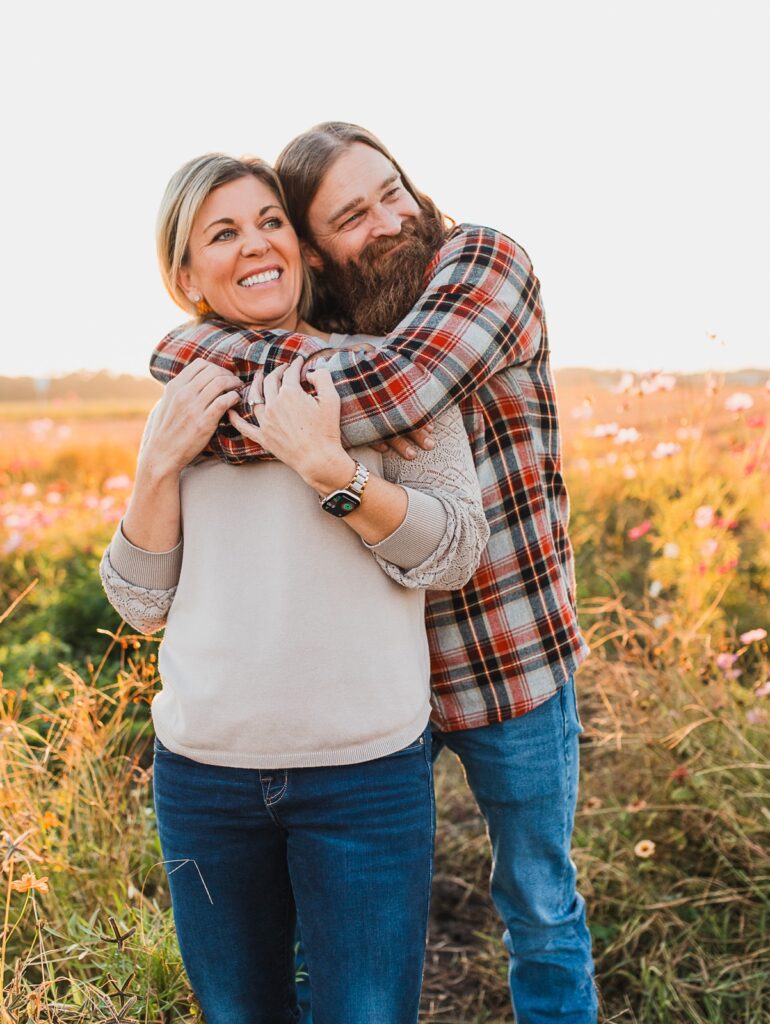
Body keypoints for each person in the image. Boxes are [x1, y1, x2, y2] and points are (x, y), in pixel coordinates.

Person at [152, 123, 598, 1024]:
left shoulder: (481, 262)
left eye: (393, 189)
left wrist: (199, 367)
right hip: (385, 683)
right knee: (346, 924)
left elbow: (400, 390)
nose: (392, 219)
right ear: (319, 249)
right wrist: (190, 370)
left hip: (510, 659)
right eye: (355, 214)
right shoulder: (352, 320)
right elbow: (231, 370)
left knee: (538, 904)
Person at [99, 153, 489, 1024]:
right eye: (223, 233)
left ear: (305, 246)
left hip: (365, 776)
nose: (256, 246)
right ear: (184, 273)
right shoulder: (185, 394)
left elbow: (457, 549)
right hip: (204, 780)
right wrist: (158, 465)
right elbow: (140, 600)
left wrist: (331, 469)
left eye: (271, 220)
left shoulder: (392, 378)